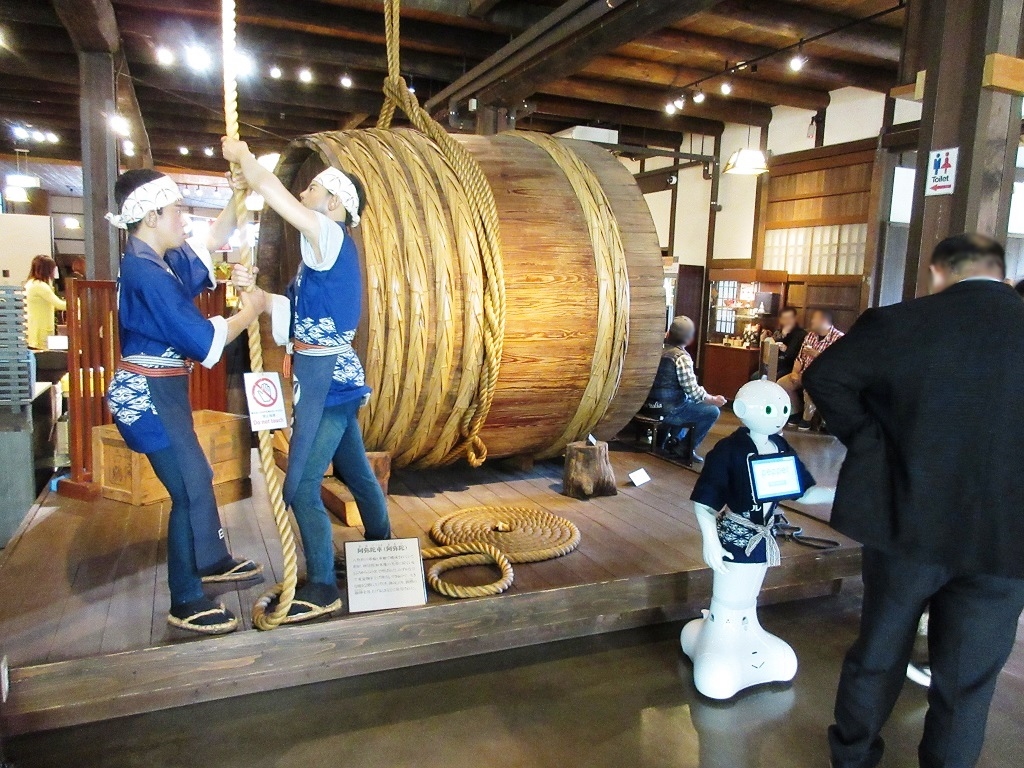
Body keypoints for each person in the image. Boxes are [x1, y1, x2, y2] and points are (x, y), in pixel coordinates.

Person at [805, 233, 1024, 768]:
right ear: (1000, 271)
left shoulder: (900, 323)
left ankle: (854, 757)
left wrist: (871, 441)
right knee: (968, 681)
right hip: (1007, 535)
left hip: (906, 516)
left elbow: (824, 377)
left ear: (940, 271)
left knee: (879, 653)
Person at [221, 137, 392, 624]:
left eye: (313, 188)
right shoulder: (319, 253)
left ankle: (321, 584)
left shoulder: (330, 235)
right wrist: (257, 297)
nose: (304, 193)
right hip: (326, 378)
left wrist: (246, 161)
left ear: (335, 202)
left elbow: (277, 195)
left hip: (327, 382)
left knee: (299, 488)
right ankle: (381, 549)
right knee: (356, 472)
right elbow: (295, 314)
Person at [105, 168, 264, 636]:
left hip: (162, 393)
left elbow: (210, 241)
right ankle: (186, 598)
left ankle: (210, 559)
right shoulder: (147, 272)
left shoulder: (155, 259)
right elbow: (204, 342)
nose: (184, 219)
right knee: (188, 488)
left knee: (198, 477)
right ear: (152, 216)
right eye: (177, 210)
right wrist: (250, 310)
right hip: (148, 397)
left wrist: (239, 193)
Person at [644, 316, 727, 463]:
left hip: (647, 406)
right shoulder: (681, 357)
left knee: (687, 403)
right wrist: (713, 399)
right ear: (689, 340)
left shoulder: (656, 351)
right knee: (711, 411)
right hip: (669, 410)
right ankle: (684, 448)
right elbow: (693, 392)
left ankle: (673, 441)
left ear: (668, 333)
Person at [776, 308, 843, 431]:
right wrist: (795, 372)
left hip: (825, 377)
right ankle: (796, 412)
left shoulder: (839, 338)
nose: (811, 322)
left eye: (814, 320)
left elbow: (837, 364)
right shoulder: (811, 335)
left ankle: (807, 419)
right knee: (782, 383)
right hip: (805, 372)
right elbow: (800, 358)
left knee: (810, 385)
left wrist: (816, 354)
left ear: (824, 321)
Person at [24, 255, 66, 349]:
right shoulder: (41, 286)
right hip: (40, 329)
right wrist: (78, 302)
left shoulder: (30, 283)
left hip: (33, 327)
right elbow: (60, 305)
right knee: (42, 353)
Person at [767, 306, 807, 380]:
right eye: (785, 318)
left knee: (774, 377)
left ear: (795, 318)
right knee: (756, 375)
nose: (788, 321)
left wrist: (786, 350)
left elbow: (799, 357)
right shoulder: (778, 332)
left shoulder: (802, 334)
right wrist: (783, 336)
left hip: (790, 366)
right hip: (775, 364)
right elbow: (772, 351)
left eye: (790, 318)